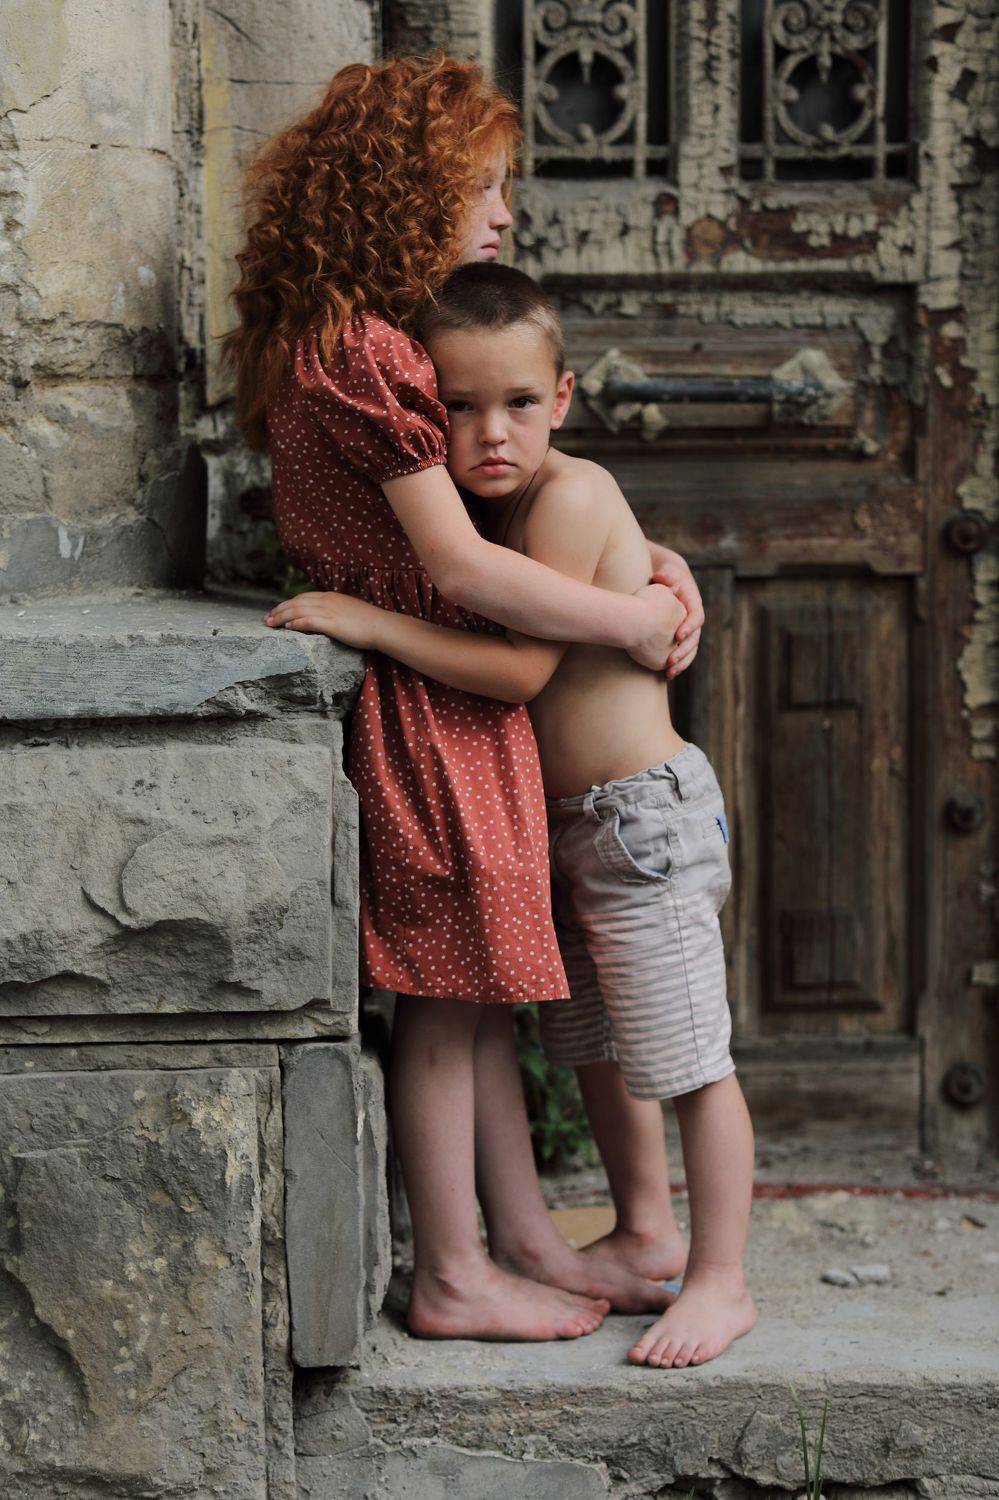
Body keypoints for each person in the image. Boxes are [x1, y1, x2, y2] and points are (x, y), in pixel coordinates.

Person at [224, 54, 705, 1342]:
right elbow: (461, 565)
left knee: (479, 997)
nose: (501, 214)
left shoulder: (361, 337)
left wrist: (646, 561)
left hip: (456, 705)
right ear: (405, 190)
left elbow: (511, 498)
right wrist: (631, 621)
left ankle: (523, 1240)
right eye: (481, 186)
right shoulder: (362, 352)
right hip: (433, 706)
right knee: (445, 1006)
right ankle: (451, 1272)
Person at [284, 262, 757, 1369]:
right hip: (574, 824)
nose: (490, 432)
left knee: (687, 1058)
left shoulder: (569, 497)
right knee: (597, 1046)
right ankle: (645, 1232)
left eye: (520, 403)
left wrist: (366, 621)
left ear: (565, 396)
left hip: (640, 824)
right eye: (458, 406)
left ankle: (721, 1279)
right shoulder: (492, 506)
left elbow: (521, 672)